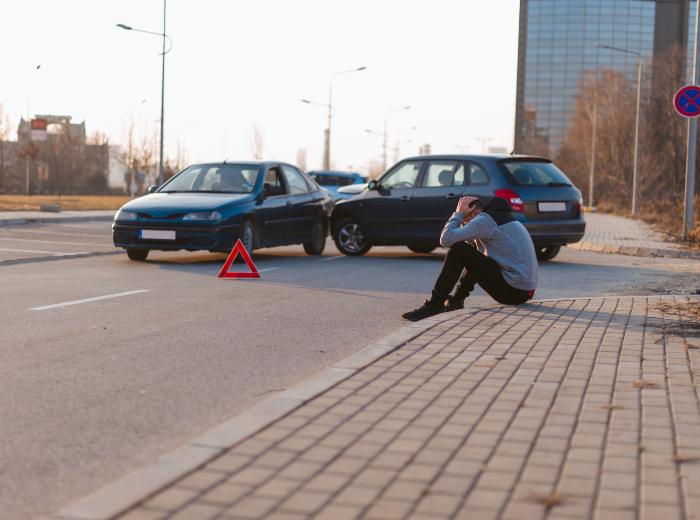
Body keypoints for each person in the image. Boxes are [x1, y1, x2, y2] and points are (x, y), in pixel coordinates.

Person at [402, 195, 538, 321]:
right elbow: (472, 254)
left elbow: (446, 239)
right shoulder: (499, 218)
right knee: (470, 251)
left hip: (513, 291)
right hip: (522, 291)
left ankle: (435, 305)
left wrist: (458, 214)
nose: (465, 224)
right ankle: (456, 301)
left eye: (466, 220)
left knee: (458, 249)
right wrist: (463, 221)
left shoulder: (485, 220)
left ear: (475, 213)